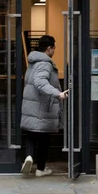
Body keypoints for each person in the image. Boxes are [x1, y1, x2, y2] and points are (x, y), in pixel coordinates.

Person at [20, 35, 68, 177]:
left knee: (31, 132)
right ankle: (41, 169)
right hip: (43, 105)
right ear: (49, 48)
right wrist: (57, 93)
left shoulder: (33, 62)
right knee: (44, 137)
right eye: (54, 48)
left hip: (31, 105)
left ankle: (29, 156)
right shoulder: (45, 63)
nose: (55, 51)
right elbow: (40, 82)